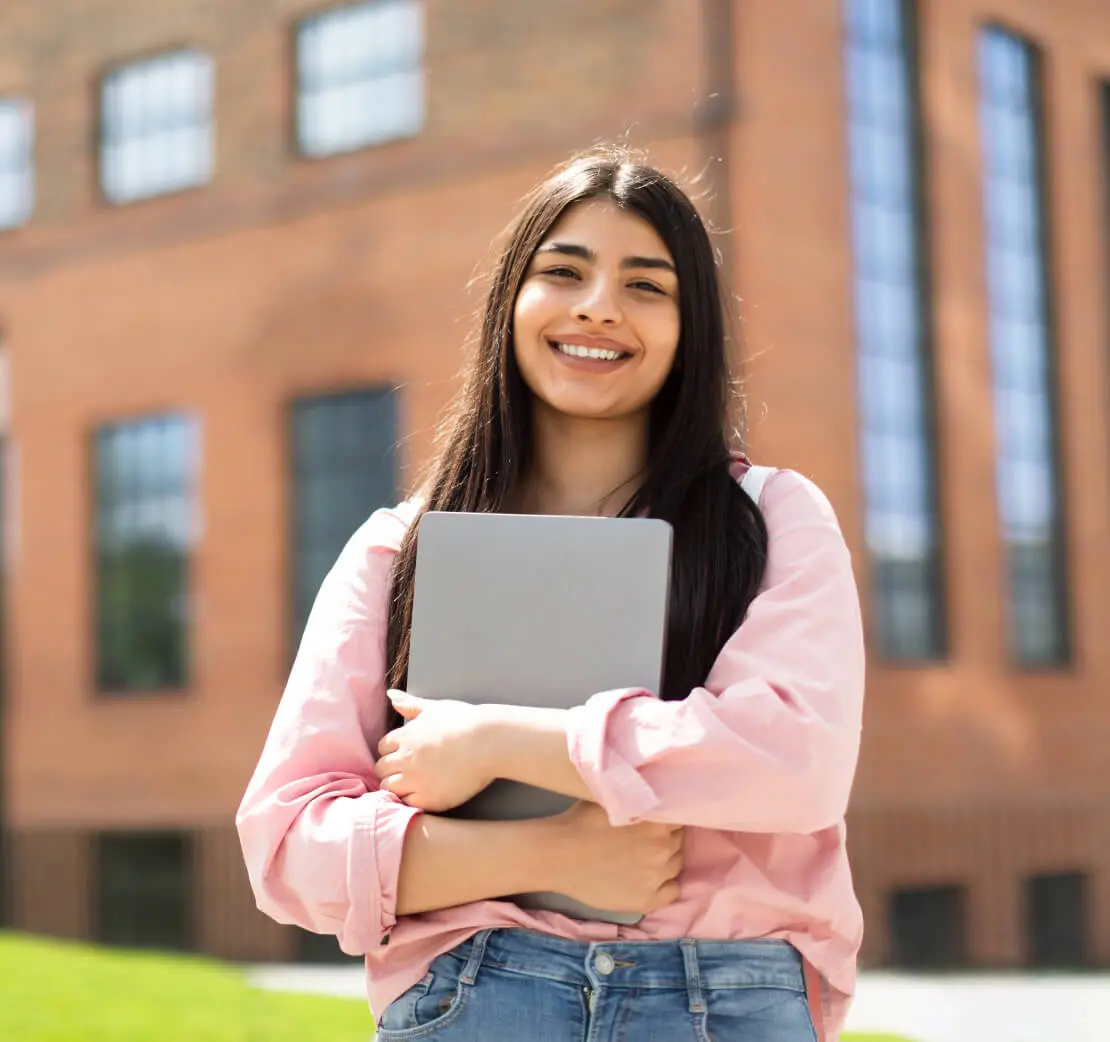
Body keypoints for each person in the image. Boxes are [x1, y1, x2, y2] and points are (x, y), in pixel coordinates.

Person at [237, 147, 865, 1042]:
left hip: (722, 999)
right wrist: (544, 851)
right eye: (563, 271)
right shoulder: (395, 549)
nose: (599, 305)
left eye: (647, 286)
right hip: (477, 992)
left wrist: (500, 741)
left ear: (693, 330)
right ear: (510, 305)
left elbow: (795, 760)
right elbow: (286, 845)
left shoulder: (772, 517)